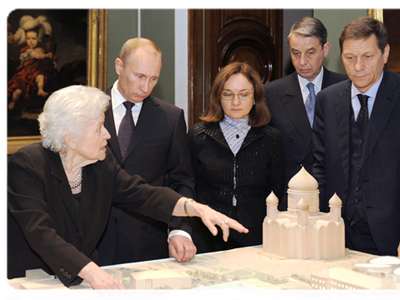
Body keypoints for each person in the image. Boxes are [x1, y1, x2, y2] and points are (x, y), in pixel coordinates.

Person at [5, 85, 249, 296]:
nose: (108, 135)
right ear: (71, 139)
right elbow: (40, 233)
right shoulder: (28, 164)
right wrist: (92, 271)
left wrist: (194, 208)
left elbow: (143, 194)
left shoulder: (100, 164)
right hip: (29, 281)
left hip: (81, 284)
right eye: (99, 127)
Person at [312, 17, 400, 257]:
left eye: (367, 57)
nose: (358, 67)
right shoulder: (327, 100)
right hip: (338, 234)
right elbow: (320, 167)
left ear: (385, 53)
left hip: (394, 236)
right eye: (350, 58)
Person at [96, 37, 196, 265]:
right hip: (92, 240)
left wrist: (179, 230)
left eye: (153, 79)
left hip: (147, 241)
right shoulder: (90, 110)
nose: (145, 87)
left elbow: (181, 180)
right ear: (119, 66)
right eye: (139, 76)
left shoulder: (170, 118)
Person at [187, 62, 285, 253]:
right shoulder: (198, 135)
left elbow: (276, 191)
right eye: (228, 94)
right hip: (208, 234)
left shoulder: (271, 138)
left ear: (255, 97)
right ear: (218, 97)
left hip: (256, 235)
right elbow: (190, 188)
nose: (236, 102)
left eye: (244, 94)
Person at [264, 17, 347, 210]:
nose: (302, 62)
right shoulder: (271, 93)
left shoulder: (345, 88)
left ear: (325, 49)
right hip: (291, 201)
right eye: (295, 53)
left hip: (336, 199)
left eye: (310, 52)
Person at [6, 27, 53, 110]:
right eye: (28, 38)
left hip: (35, 71)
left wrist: (53, 61)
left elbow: (51, 58)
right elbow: (38, 56)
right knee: (18, 91)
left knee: (40, 76)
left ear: (39, 39)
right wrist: (47, 55)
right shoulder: (27, 49)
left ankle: (40, 90)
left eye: (33, 39)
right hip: (26, 73)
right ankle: (13, 101)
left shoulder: (42, 49)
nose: (30, 41)